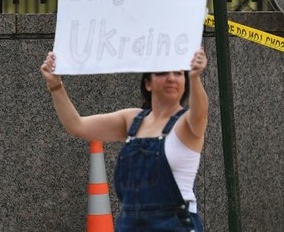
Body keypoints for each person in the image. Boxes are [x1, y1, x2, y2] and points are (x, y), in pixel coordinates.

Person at [40, 46, 209, 231]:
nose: (171, 78)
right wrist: (55, 85)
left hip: (175, 224)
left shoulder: (187, 123)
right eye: (162, 72)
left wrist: (195, 77)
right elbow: (77, 125)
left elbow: (200, 114)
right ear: (148, 83)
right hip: (130, 224)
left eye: (178, 73)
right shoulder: (132, 120)